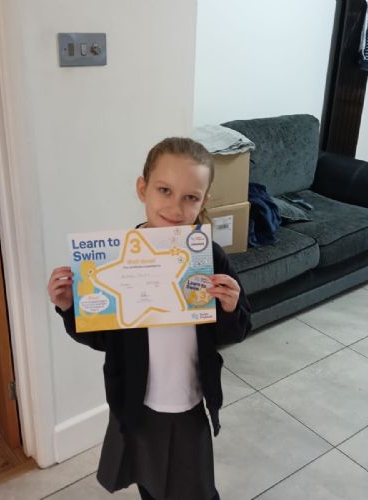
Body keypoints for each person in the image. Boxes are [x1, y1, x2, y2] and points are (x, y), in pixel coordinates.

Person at [47, 137, 252, 500]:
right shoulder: (116, 260)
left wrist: (230, 307)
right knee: (151, 485)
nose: (175, 207)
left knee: (198, 491)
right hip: (136, 404)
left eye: (190, 197)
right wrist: (69, 308)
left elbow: (235, 331)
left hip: (188, 403)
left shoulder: (210, 258)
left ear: (203, 201)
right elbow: (103, 338)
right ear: (143, 189)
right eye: (164, 190)